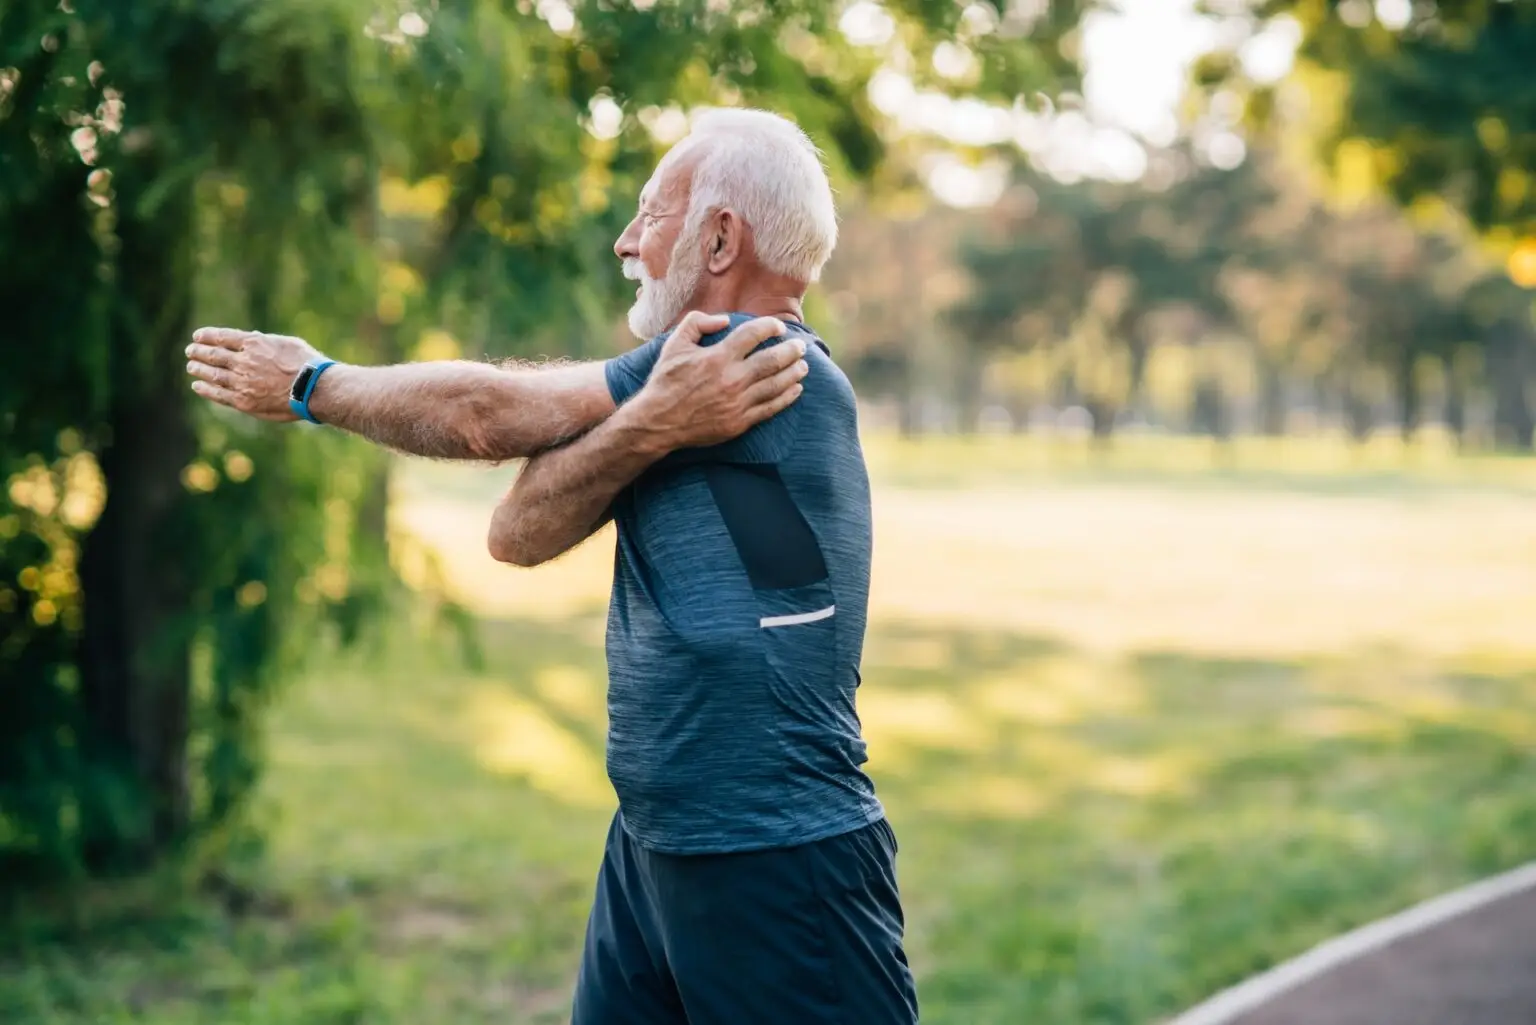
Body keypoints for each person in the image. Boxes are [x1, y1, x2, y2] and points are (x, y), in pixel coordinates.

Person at [186, 108, 917, 1025]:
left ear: (722, 235)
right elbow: (518, 528)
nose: (625, 241)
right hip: (653, 846)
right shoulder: (680, 391)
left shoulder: (761, 362)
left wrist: (311, 384)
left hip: (776, 857)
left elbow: (488, 415)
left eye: (650, 213)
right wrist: (649, 425)